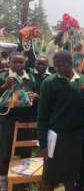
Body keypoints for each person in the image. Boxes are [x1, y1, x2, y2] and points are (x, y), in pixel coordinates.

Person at [37, 51, 84, 191]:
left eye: (61, 65)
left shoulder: (82, 81)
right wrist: (43, 144)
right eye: (55, 66)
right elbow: (42, 115)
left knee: (70, 177)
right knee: (49, 178)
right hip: (56, 138)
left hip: (75, 138)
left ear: (71, 63)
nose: (57, 69)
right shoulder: (49, 83)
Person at [0, 52, 37, 191]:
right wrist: (5, 86)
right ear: (9, 62)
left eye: (20, 62)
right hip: (7, 119)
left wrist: (33, 96)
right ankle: (3, 182)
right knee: (4, 153)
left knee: (25, 152)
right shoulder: (2, 76)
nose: (17, 65)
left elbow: (33, 95)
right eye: (14, 62)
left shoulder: (30, 78)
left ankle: (23, 181)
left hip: (25, 121)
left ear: (25, 63)